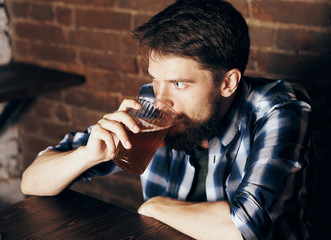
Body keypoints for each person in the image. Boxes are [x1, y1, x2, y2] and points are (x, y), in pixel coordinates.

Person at [20, 0, 314, 239]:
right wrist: (86, 156)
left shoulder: (278, 107)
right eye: (155, 79)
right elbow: (31, 182)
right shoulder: (153, 101)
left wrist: (155, 207)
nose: (161, 99)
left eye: (179, 84)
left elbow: (245, 230)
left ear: (227, 83)